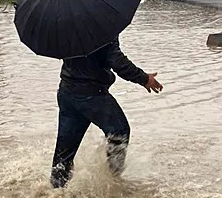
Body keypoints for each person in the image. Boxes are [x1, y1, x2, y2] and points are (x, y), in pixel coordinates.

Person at [50, 37, 163, 188]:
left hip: (67, 92)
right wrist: (144, 79)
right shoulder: (103, 29)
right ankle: (113, 181)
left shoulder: (68, 28)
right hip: (92, 95)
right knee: (120, 132)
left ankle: (56, 190)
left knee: (65, 150)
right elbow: (117, 62)